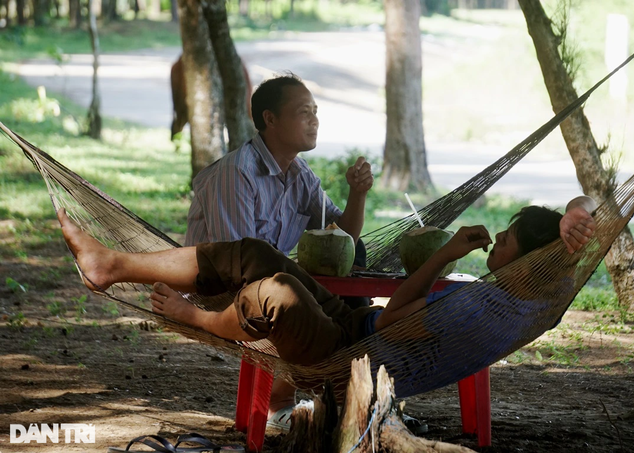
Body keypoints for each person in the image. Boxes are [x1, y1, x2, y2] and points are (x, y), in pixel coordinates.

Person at [56, 195, 597, 367]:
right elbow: (594, 216)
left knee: (275, 296)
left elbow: (390, 324)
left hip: (346, 353)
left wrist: (443, 261)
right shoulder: (524, 293)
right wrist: (576, 210)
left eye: (505, 241)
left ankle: (195, 316)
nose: (494, 243)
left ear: (527, 259)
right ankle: (114, 265)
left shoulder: (481, 309)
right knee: (257, 253)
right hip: (352, 324)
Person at [159, 73, 374, 429]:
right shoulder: (236, 174)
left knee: (356, 257)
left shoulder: (300, 174)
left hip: (269, 283)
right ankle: (283, 404)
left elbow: (345, 238)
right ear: (270, 119)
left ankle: (353, 396)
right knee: (299, 299)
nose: (315, 120)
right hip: (219, 292)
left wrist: (358, 193)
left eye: (316, 111)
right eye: (304, 112)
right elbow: (240, 261)